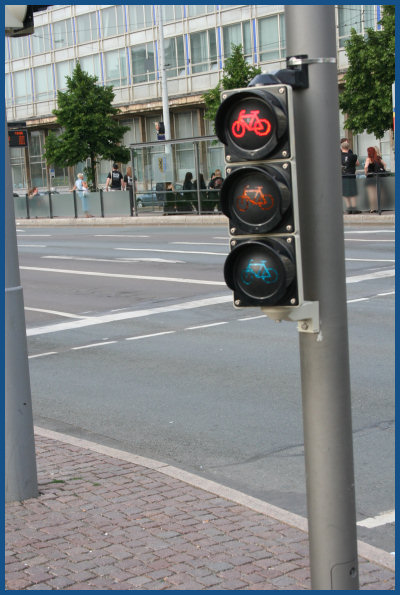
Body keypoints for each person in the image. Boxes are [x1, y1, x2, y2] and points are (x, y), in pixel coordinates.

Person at [364, 146, 387, 213]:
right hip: (378, 177)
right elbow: (385, 164)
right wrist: (383, 171)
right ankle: (379, 207)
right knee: (380, 193)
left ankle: (372, 208)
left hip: (371, 178)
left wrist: (366, 173)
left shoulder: (368, 159)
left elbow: (365, 167)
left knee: (371, 194)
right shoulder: (378, 158)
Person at [341, 140, 360, 214]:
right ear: (348, 148)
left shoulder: (338, 156)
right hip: (351, 175)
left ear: (341, 147)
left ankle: (348, 208)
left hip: (342, 175)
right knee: (352, 192)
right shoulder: (353, 156)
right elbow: (357, 163)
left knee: (345, 192)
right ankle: (354, 208)